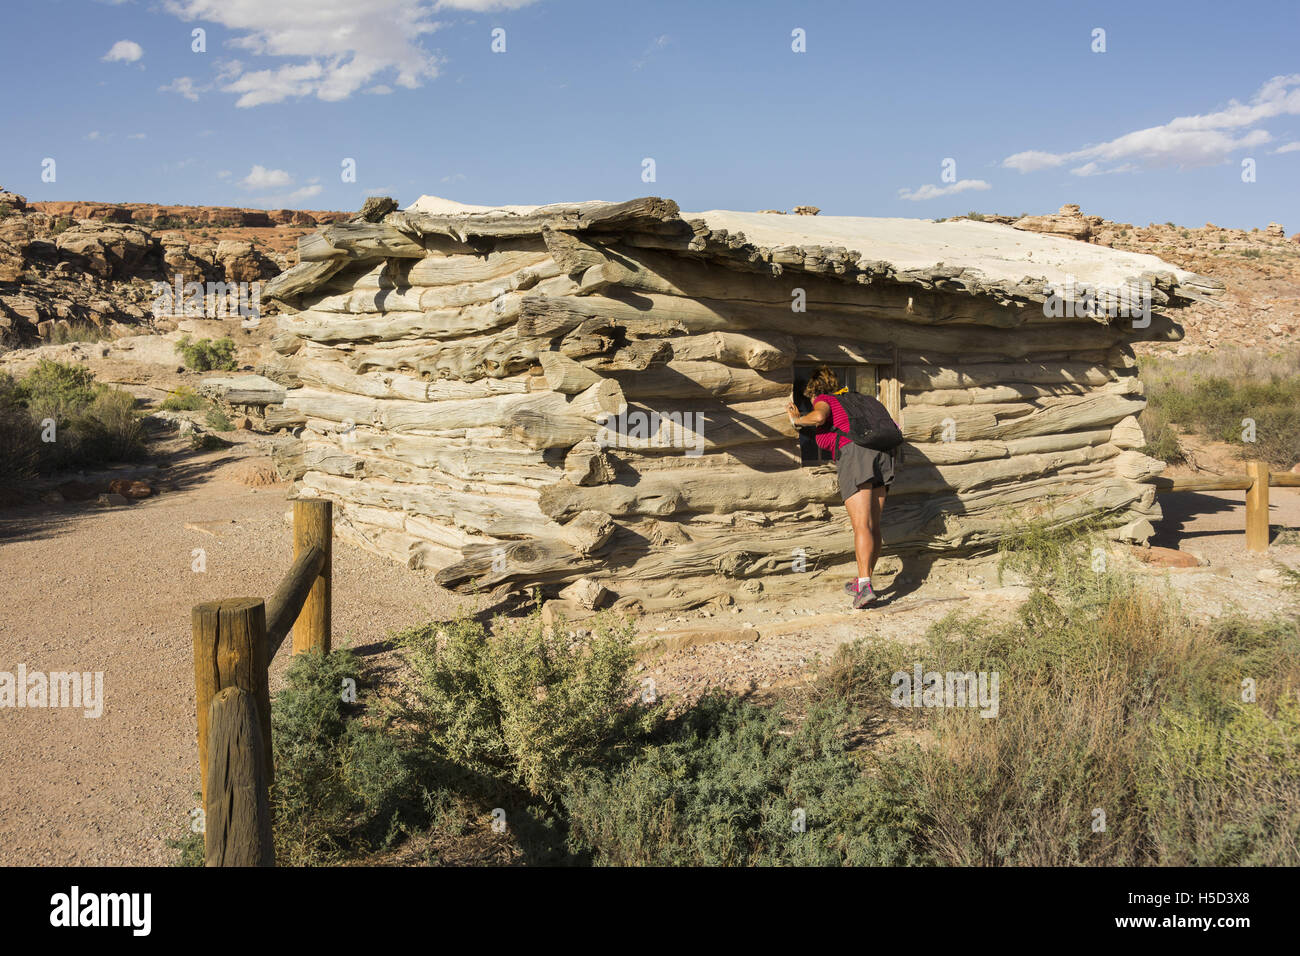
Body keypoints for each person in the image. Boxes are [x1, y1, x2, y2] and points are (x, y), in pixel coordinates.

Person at [787, 367, 894, 608]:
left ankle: (864, 585)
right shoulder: (852, 401)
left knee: (861, 526)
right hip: (882, 455)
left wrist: (797, 420)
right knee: (873, 526)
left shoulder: (826, 400)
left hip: (857, 457)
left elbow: (818, 418)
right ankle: (863, 582)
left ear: (814, 392)